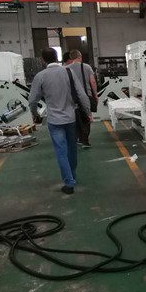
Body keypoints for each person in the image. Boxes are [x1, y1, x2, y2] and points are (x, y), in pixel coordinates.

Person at [29, 48, 90, 194]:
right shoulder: (68, 72)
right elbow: (82, 95)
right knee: (72, 148)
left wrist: (35, 113)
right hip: (71, 118)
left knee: (61, 151)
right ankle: (72, 174)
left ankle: (69, 182)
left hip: (55, 121)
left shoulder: (40, 76)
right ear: (57, 58)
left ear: (43, 60)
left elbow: (32, 100)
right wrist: (87, 112)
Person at [65, 49, 98, 148]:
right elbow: (93, 82)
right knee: (86, 117)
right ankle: (85, 141)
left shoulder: (66, 69)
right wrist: (95, 95)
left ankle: (77, 138)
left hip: (72, 97)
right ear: (79, 57)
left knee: (74, 118)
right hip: (86, 95)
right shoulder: (87, 67)